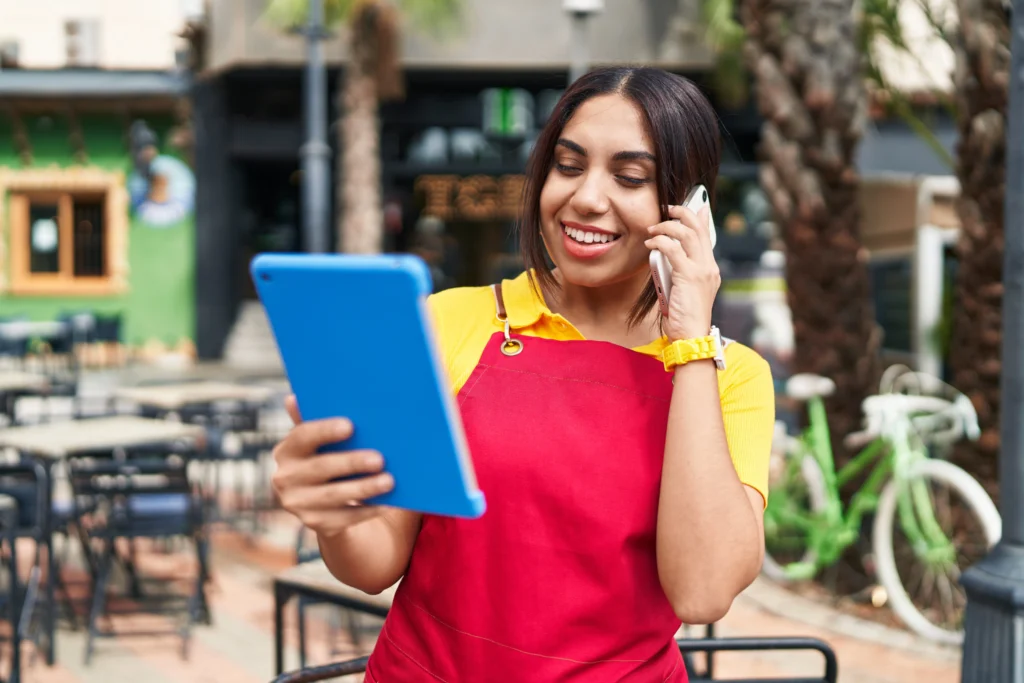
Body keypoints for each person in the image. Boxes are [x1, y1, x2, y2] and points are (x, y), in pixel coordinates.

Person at [272, 67, 775, 682]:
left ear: (690, 208)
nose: (586, 197)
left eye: (629, 177)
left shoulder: (728, 375)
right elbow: (375, 563)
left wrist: (690, 341)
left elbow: (702, 592)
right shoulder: (447, 322)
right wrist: (336, 517)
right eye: (568, 166)